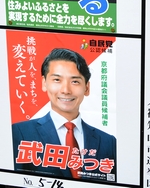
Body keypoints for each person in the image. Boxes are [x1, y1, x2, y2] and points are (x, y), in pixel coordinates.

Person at [11, 48, 117, 181]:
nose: (66, 90)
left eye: (75, 81)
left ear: (87, 88)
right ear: (44, 83)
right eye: (57, 80)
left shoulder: (109, 142)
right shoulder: (19, 132)